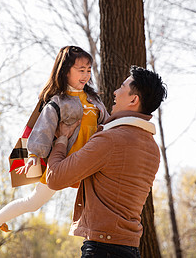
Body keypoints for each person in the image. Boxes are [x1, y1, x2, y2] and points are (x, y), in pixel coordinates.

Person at [0, 46, 109, 257]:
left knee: (97, 202)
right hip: (62, 163)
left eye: (89, 70)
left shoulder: (94, 100)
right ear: (65, 71)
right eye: (80, 69)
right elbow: (43, 129)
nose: (86, 75)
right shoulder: (57, 102)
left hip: (89, 163)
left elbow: (107, 124)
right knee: (34, 202)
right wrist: (34, 156)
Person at [46, 66, 167, 258]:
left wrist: (61, 140)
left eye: (122, 87)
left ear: (133, 99)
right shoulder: (153, 148)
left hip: (102, 249)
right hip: (130, 249)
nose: (115, 92)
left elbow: (55, 178)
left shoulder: (110, 140)